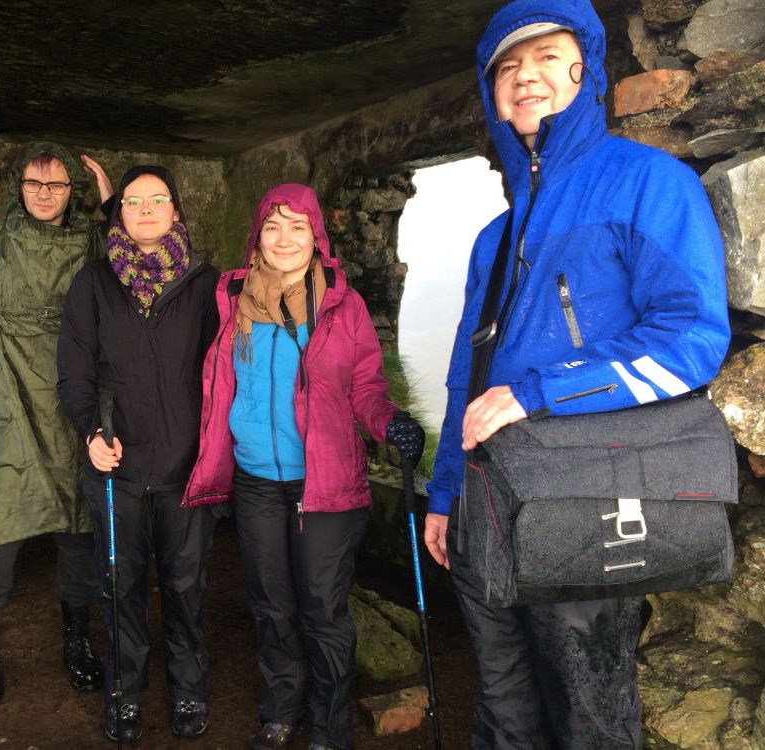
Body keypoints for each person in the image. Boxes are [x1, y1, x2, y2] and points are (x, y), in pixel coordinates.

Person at [423, 1, 730, 748]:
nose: (524, 75)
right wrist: (445, 494)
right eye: (506, 65)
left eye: (546, 56)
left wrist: (540, 393)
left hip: (585, 501)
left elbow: (689, 341)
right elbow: (469, 378)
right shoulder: (493, 237)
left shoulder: (646, 184)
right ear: (491, 90)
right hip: (485, 506)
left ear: (584, 71)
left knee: (589, 714)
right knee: (501, 701)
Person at [183, 183, 426, 750]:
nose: (285, 238)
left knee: (322, 608)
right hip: (256, 482)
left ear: (317, 236)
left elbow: (365, 384)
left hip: (326, 481)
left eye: (298, 227)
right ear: (257, 238)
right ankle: (281, 710)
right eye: (273, 226)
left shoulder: (343, 305)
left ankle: (329, 727)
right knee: (271, 604)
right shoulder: (231, 299)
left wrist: (389, 421)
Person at [0, 142, 115, 705]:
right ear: (18, 186)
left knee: (80, 530)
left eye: (57, 184)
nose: (44, 194)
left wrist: (112, 205)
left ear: (72, 191)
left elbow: (141, 261)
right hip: (2, 402)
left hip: (72, 408)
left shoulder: (93, 244)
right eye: (34, 183)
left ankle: (77, 637)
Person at [57, 165, 221, 743]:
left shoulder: (207, 285)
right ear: (118, 212)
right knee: (120, 586)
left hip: (185, 469)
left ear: (177, 210)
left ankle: (189, 691)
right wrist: (89, 434)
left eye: (158, 199)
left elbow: (223, 373)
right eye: (133, 200)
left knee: (185, 587)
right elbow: (74, 370)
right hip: (115, 467)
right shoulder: (94, 283)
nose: (146, 209)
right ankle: (125, 695)